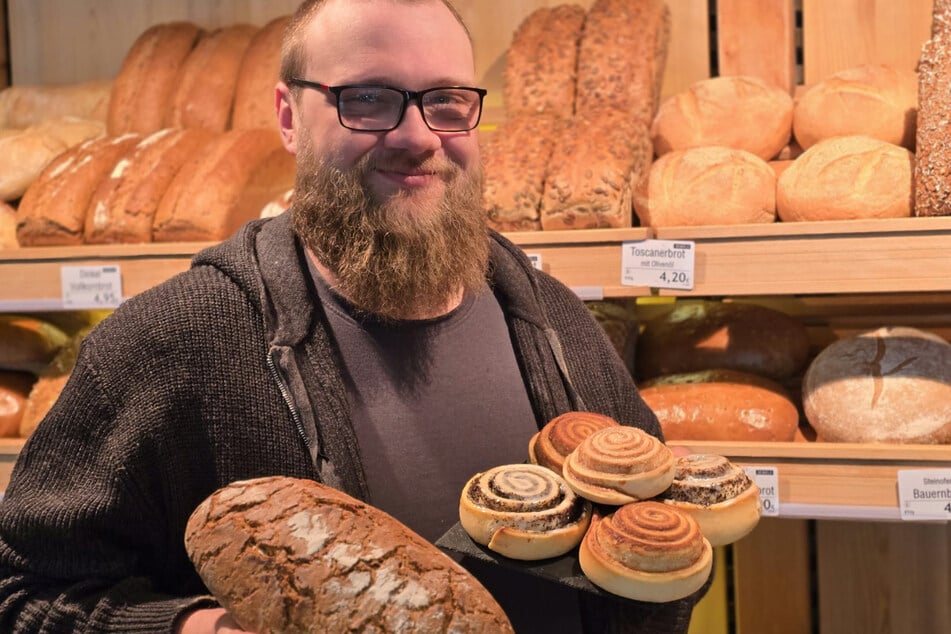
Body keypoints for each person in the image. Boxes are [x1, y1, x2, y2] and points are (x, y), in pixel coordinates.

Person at [0, 0, 706, 632]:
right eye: (367, 99)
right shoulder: (175, 341)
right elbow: (27, 595)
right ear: (287, 115)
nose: (416, 135)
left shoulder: (556, 326)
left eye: (446, 100)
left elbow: (651, 556)